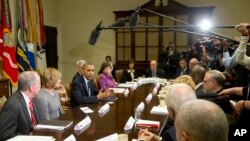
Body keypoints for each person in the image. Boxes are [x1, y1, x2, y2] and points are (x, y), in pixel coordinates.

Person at [0, 71, 41, 140]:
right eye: (39, 83)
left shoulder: (31, 98)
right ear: (31, 88)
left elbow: (35, 125)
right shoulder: (13, 105)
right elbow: (4, 135)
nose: (40, 86)